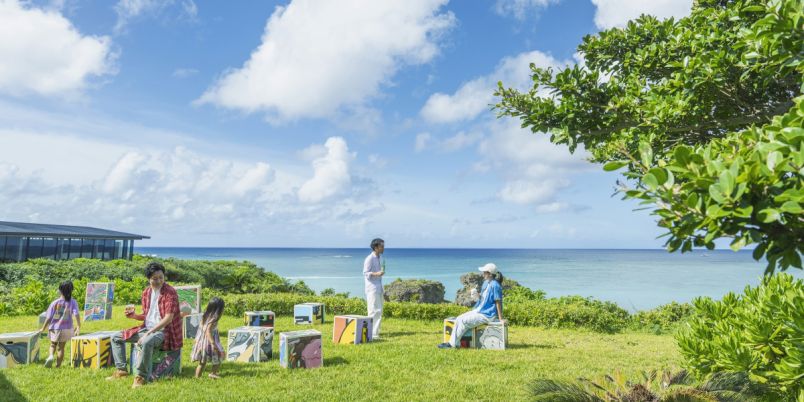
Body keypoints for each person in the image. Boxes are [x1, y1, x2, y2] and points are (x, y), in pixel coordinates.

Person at [106, 262, 183, 388]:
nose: (159, 281)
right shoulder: (146, 293)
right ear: (148, 278)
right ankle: (121, 370)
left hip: (164, 331)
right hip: (147, 328)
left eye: (161, 278)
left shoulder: (170, 292)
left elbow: (168, 318)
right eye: (155, 278)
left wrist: (148, 333)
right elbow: (147, 315)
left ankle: (140, 377)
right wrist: (135, 316)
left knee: (146, 342)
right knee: (115, 337)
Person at [438, 263, 505, 349]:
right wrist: (476, 294)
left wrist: (500, 318)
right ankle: (453, 343)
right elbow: (484, 298)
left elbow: (498, 301)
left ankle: (452, 345)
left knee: (463, 321)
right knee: (459, 318)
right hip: (479, 310)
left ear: (490, 274)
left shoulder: (495, 285)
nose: (483, 274)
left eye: (485, 272)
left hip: (487, 314)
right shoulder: (485, 283)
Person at [39, 280, 80, 368]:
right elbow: (76, 314)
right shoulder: (73, 302)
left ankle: (50, 356)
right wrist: (78, 326)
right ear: (71, 290)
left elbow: (49, 317)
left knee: (53, 344)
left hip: (55, 327)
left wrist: (43, 328)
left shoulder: (55, 303)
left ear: (60, 290)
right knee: (61, 348)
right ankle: (58, 366)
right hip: (67, 328)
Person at [191, 297, 225, 379]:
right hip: (209, 342)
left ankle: (197, 377)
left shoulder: (206, 315)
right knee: (218, 356)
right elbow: (208, 331)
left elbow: (201, 328)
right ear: (219, 309)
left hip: (202, 342)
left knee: (202, 362)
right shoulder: (214, 318)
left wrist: (197, 339)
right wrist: (213, 344)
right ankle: (213, 373)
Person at [363, 238, 385, 339]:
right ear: (376, 247)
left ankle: (376, 332)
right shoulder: (369, 258)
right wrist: (377, 273)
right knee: (373, 310)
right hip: (372, 288)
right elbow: (365, 273)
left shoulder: (380, 258)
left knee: (379, 311)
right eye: (381, 246)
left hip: (379, 287)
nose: (383, 248)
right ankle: (371, 333)